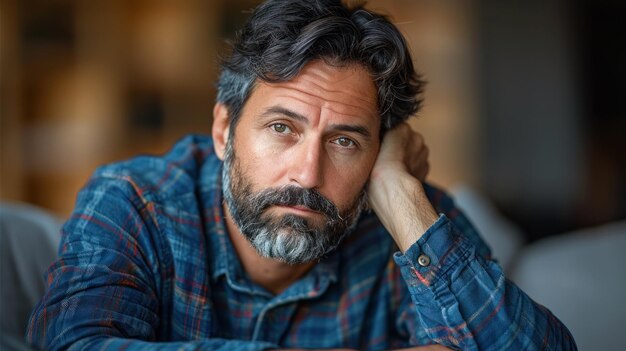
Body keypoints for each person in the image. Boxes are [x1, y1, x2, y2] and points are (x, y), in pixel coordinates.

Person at [26, 0, 576, 350]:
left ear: (379, 152)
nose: (308, 173)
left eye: (345, 141)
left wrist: (398, 192)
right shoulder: (133, 200)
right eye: (283, 128)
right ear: (224, 131)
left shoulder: (406, 217)